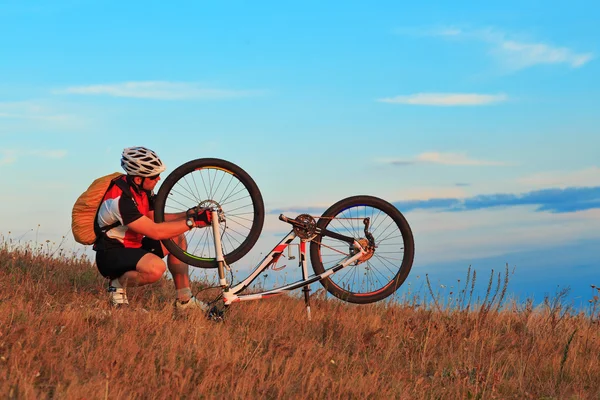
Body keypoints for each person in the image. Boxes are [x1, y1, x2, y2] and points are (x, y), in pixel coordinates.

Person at [94, 146, 211, 309]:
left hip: (134, 246)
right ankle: (117, 283)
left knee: (177, 238)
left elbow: (153, 218)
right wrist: (193, 223)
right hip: (111, 253)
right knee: (156, 269)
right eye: (154, 176)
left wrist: (189, 214)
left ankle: (184, 301)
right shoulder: (120, 200)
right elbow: (155, 231)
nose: (158, 179)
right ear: (138, 178)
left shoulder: (142, 190)